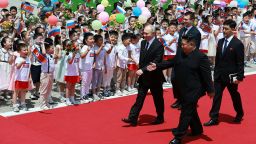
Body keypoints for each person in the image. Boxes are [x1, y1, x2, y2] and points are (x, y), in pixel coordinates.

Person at [147, 35, 214, 144]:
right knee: (190, 110)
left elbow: (207, 75)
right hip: (181, 88)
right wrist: (157, 66)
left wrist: (210, 90)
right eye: (181, 44)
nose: (181, 46)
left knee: (186, 112)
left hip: (194, 89)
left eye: (183, 44)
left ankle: (178, 136)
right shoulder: (180, 53)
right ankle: (197, 129)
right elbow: (170, 62)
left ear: (192, 45)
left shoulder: (201, 57)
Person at [121, 24, 165, 126]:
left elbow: (156, 62)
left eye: (146, 33)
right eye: (143, 33)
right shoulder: (144, 42)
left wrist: (143, 70)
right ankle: (133, 118)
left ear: (153, 34)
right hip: (144, 77)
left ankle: (160, 117)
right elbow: (143, 58)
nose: (144, 35)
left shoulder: (159, 46)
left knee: (158, 99)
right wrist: (139, 66)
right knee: (139, 98)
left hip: (155, 77)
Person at [204, 19, 245, 126]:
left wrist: (239, 77)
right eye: (223, 28)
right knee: (216, 96)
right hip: (219, 75)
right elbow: (218, 59)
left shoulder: (238, 44)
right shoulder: (221, 41)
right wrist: (215, 72)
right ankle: (214, 117)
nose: (224, 31)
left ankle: (239, 113)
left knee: (234, 95)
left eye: (226, 29)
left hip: (232, 77)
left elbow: (240, 62)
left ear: (233, 29)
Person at [171, 11, 201, 109]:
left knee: (185, 81)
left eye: (186, 19)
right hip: (179, 57)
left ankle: (185, 101)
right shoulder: (182, 30)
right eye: (184, 19)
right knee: (174, 79)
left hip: (188, 59)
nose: (184, 21)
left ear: (192, 20)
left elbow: (194, 48)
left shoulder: (196, 32)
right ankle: (179, 98)